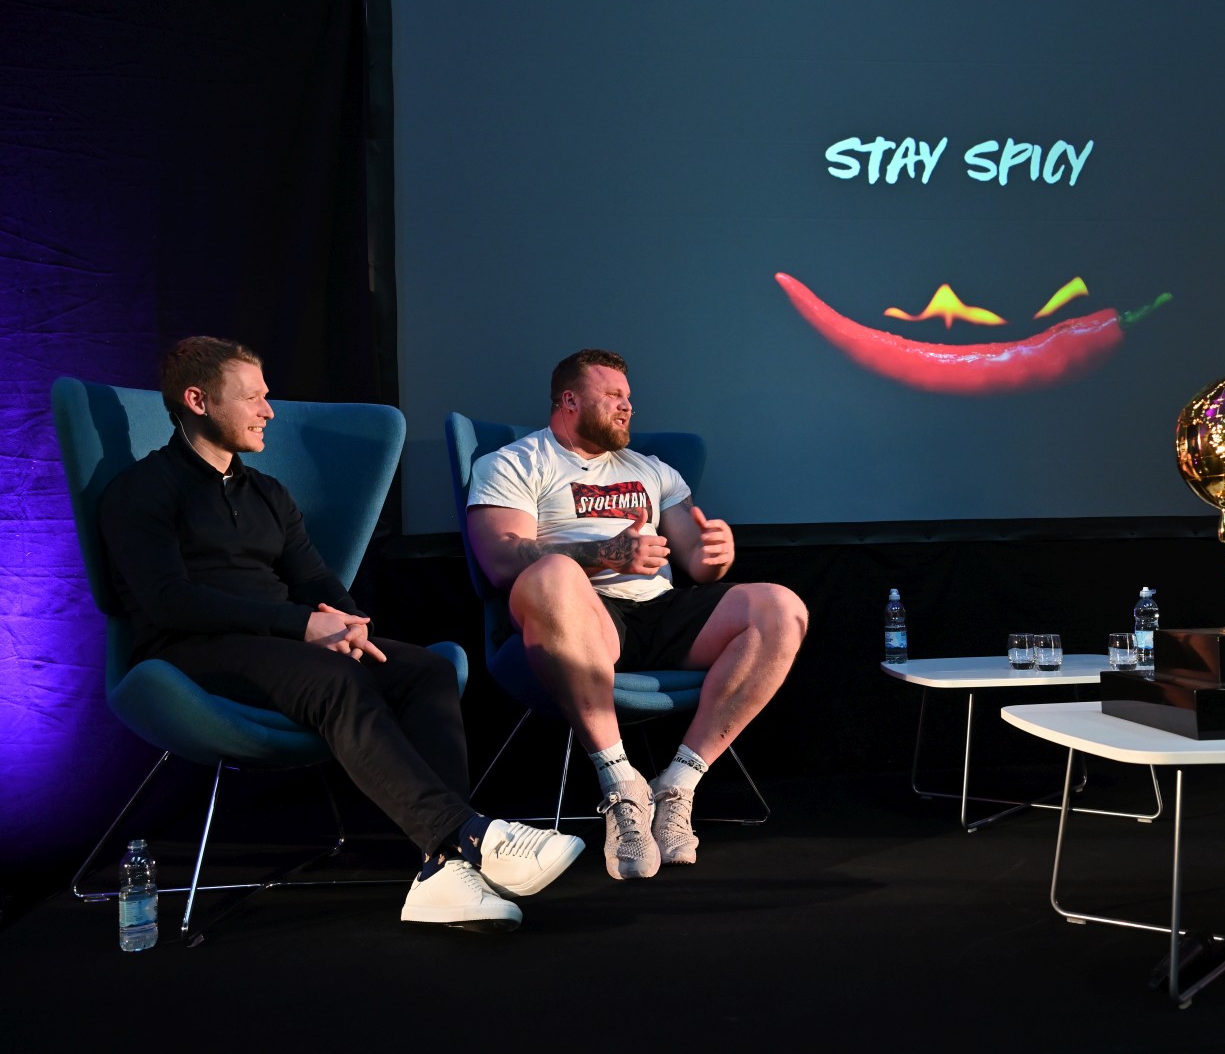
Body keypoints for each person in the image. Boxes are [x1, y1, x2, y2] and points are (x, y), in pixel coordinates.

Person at [99, 336, 583, 931]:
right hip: (187, 652)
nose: (268, 410)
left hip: (280, 646)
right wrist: (303, 625)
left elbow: (314, 577)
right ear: (198, 401)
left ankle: (441, 870)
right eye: (252, 397)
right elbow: (169, 602)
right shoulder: (141, 490)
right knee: (333, 678)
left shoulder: (268, 494)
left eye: (266, 397)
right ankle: (469, 836)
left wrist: (348, 623)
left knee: (425, 669)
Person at [466, 348, 808, 880]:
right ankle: (622, 787)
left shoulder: (653, 471)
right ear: (570, 400)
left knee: (781, 607)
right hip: (581, 618)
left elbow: (695, 560)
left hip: (661, 610)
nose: (627, 407)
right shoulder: (515, 463)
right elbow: (501, 562)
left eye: (629, 398)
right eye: (613, 397)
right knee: (552, 576)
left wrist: (716, 555)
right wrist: (606, 556)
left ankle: (678, 784)